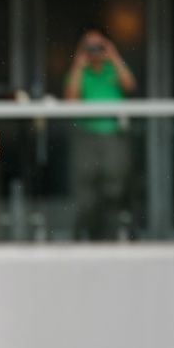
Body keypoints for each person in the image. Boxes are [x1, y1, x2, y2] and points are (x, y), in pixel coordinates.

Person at [63, 28, 137, 240]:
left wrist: (113, 56)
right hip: (86, 136)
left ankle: (110, 236)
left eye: (99, 46)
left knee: (114, 188)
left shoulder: (112, 68)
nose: (94, 51)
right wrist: (78, 63)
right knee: (86, 191)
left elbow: (130, 86)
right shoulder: (80, 71)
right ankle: (83, 235)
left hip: (114, 135)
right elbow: (70, 101)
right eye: (90, 47)